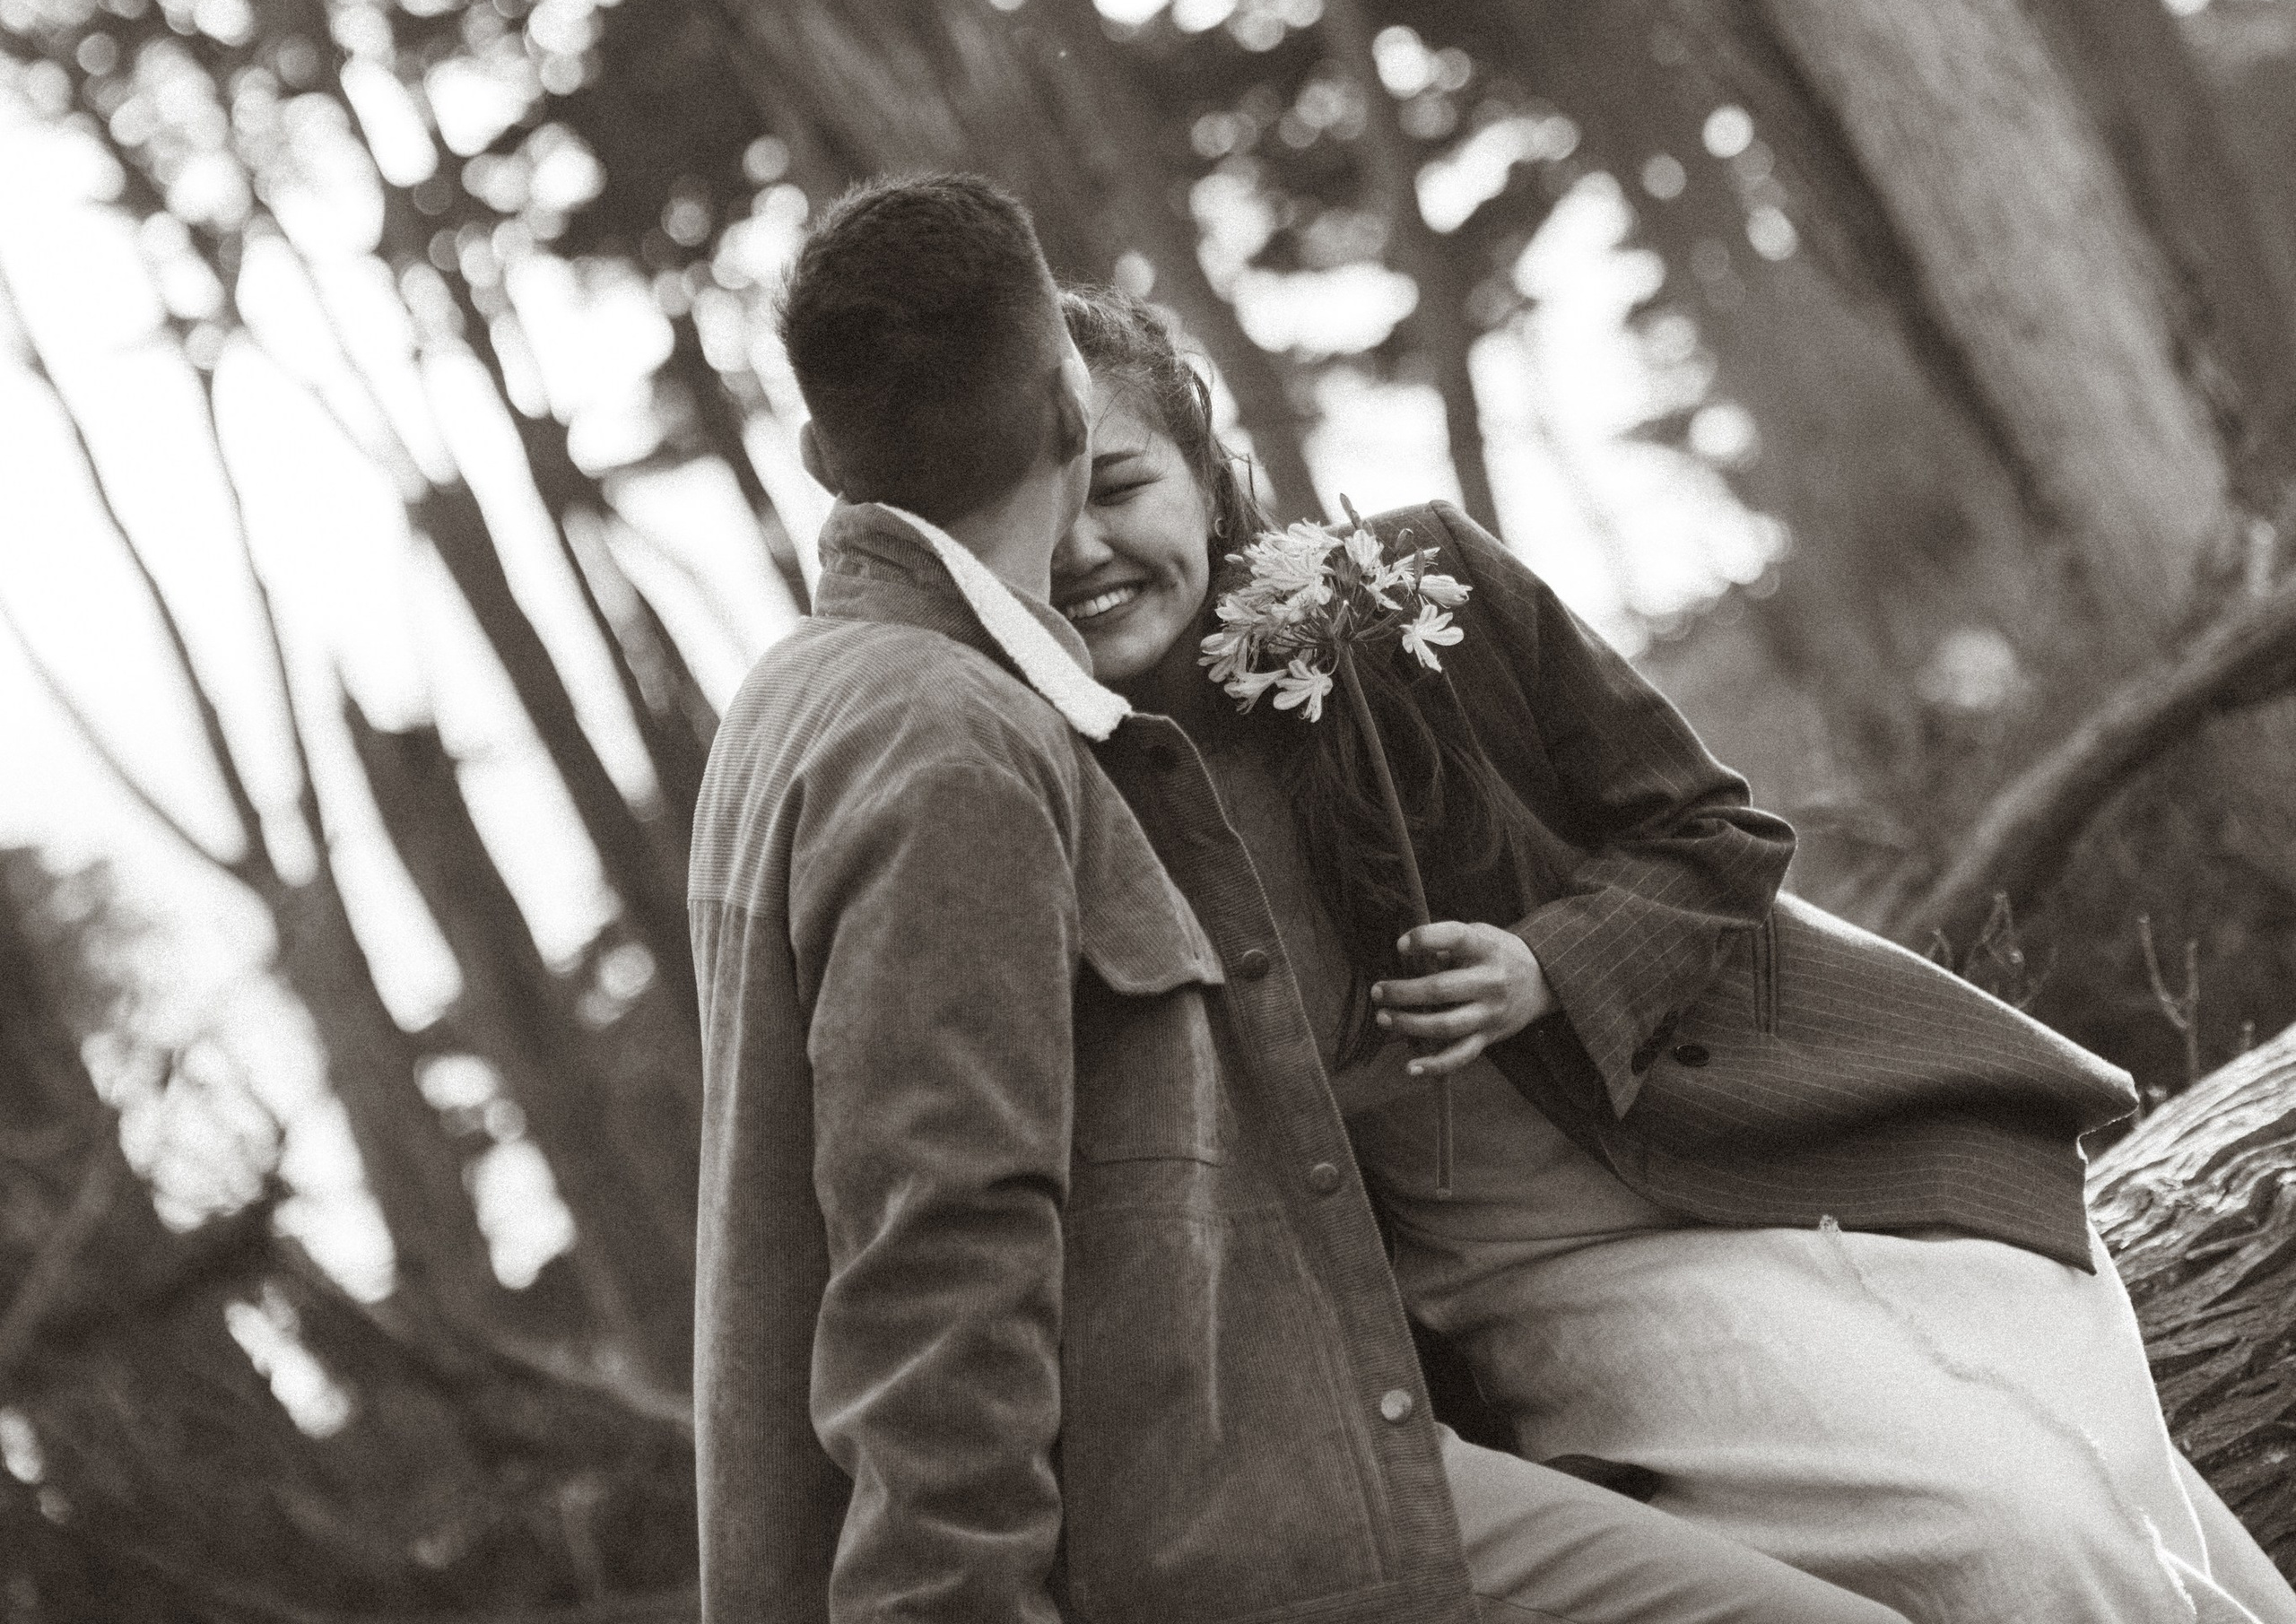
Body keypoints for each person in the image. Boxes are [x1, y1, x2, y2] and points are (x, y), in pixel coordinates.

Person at [690, 171, 1903, 1624]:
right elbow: (936, 1273)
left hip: (1318, 1443)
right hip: (1219, 1523)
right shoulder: (954, 741)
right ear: (1071, 415)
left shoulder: (801, 698)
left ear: (827, 455)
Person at [1051, 284, 2296, 1624]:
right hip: (1556, 1285)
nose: (1082, 548)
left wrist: (1552, 964)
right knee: (2010, 1533)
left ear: (1204, 469)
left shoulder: (1408, 586)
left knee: (2094, 1490)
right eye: (1038, 516)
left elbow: (1713, 830)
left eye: (1119, 485)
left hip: (1787, 1156)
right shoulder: (1062, 804)